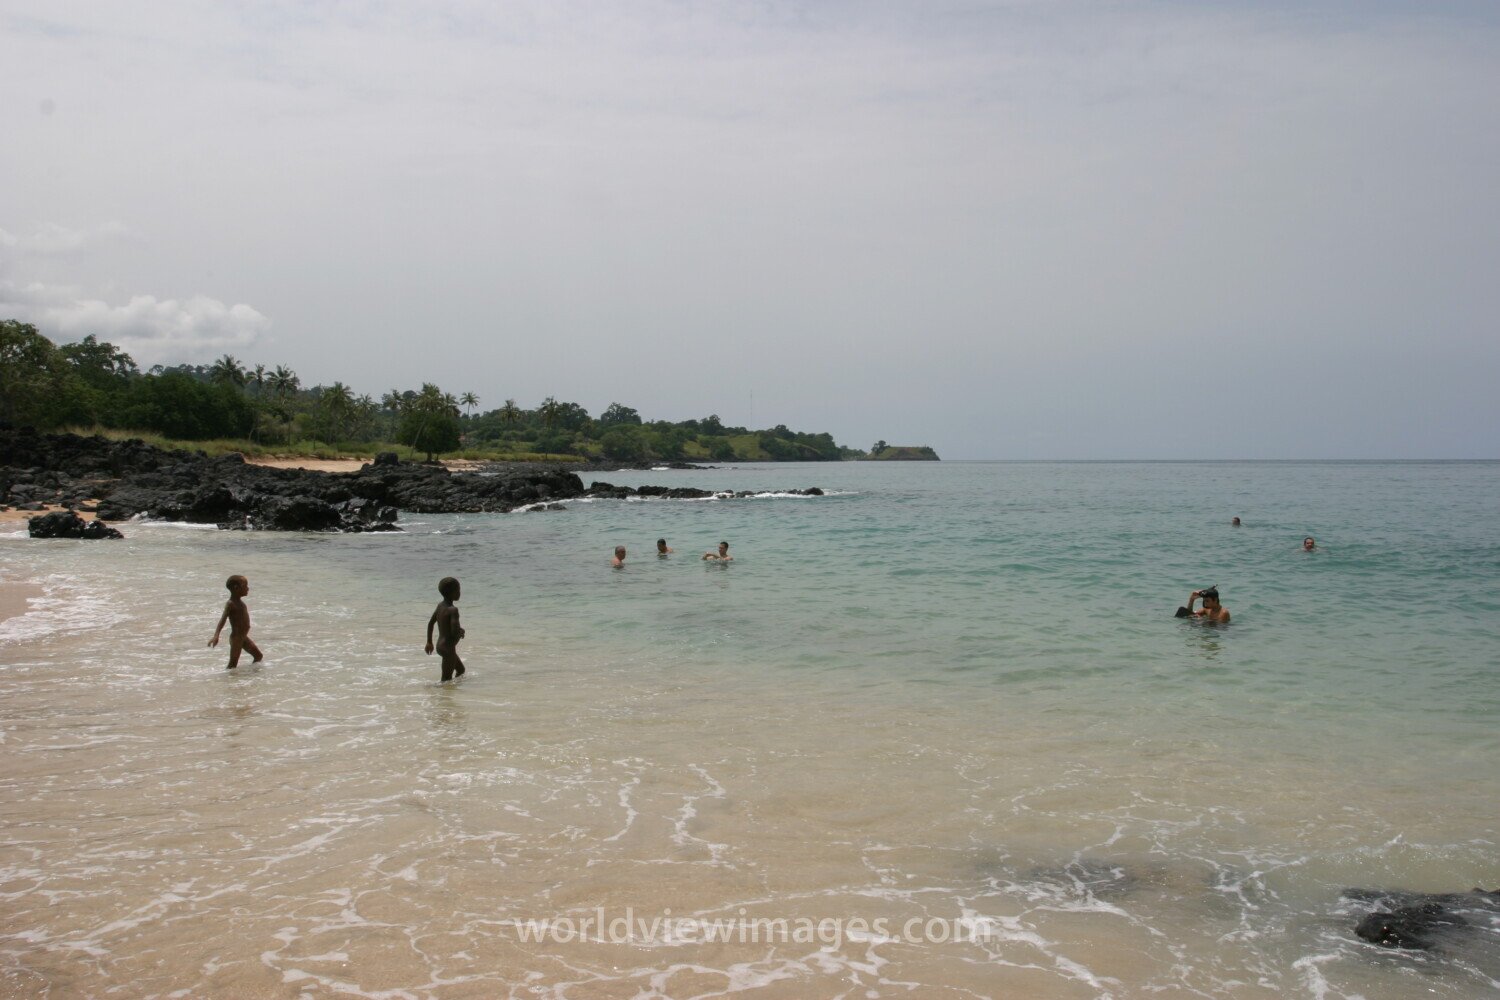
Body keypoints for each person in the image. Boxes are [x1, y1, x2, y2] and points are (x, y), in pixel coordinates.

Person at [209, 574, 263, 669]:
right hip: (237, 638)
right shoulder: (231, 604)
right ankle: (227, 677)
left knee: (258, 656)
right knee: (233, 664)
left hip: (243, 637)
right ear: (236, 588)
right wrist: (216, 635)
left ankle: (252, 675)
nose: (248, 588)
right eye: (245, 586)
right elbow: (223, 619)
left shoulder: (241, 603)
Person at [425, 577, 466, 682]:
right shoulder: (453, 610)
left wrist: (429, 642)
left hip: (441, 645)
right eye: (458, 590)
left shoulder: (440, 606)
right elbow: (454, 632)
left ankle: (453, 690)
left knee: (461, 670)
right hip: (448, 648)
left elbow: (430, 623)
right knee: (446, 679)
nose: (459, 593)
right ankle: (436, 690)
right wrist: (461, 632)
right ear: (452, 593)